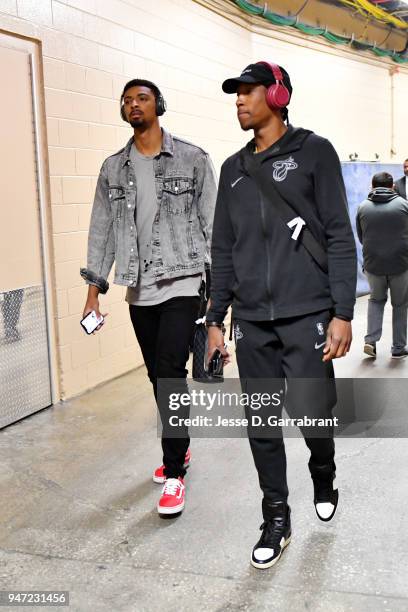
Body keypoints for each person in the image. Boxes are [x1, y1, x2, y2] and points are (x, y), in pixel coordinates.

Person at [206, 62, 357, 569]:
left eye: (248, 92)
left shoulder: (315, 152)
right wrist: (214, 320)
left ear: (276, 94)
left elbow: (339, 234)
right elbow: (222, 249)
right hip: (252, 321)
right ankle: (276, 515)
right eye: (236, 94)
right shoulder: (232, 170)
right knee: (262, 423)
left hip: (308, 312)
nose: (239, 101)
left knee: (314, 414)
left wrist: (342, 311)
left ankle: (323, 469)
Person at [80, 78, 216, 515]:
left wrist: (217, 293)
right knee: (159, 378)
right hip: (139, 288)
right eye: (126, 99)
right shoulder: (112, 168)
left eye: (141, 98)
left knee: (171, 374)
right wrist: (92, 292)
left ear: (159, 104)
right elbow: (100, 233)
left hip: (182, 281)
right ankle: (183, 449)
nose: (133, 104)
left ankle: (173, 472)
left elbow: (213, 225)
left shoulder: (193, 159)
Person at [356, 172, 408, 359]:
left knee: (376, 301)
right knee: (400, 305)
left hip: (373, 264)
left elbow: (362, 237)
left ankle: (370, 341)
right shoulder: (404, 205)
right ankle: (398, 348)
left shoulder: (363, 207)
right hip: (400, 264)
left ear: (372, 185)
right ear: (392, 186)